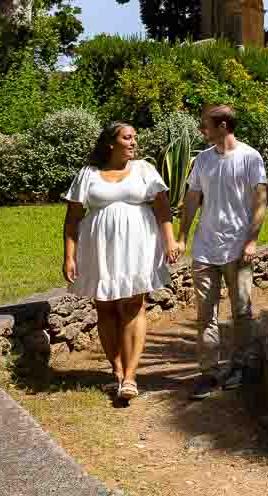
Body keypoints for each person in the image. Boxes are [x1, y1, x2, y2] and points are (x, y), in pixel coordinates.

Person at [62, 121, 182, 402]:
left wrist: (170, 241)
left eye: (134, 138)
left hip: (137, 245)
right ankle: (116, 371)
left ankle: (130, 376)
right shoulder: (88, 174)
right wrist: (69, 256)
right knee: (104, 307)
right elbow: (72, 219)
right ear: (110, 143)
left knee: (132, 305)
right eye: (127, 138)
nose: (133, 143)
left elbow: (163, 210)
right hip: (98, 247)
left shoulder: (144, 170)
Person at [179, 104, 268, 400]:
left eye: (205, 125)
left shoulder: (250, 157)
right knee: (206, 314)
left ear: (223, 126)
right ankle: (209, 373)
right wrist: (182, 236)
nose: (201, 130)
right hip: (205, 248)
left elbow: (260, 201)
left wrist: (252, 240)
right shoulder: (202, 160)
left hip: (237, 248)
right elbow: (192, 198)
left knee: (241, 312)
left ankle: (241, 366)